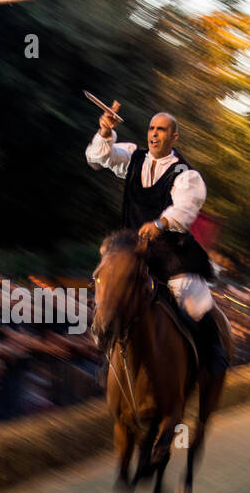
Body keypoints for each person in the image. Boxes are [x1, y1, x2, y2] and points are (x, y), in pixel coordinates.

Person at [85, 106, 227, 375]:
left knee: (191, 295)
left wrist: (161, 223)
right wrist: (105, 131)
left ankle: (213, 353)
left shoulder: (186, 173)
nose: (154, 133)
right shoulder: (132, 157)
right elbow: (97, 157)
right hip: (132, 247)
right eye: (151, 128)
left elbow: (186, 207)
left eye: (161, 129)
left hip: (169, 249)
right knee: (108, 281)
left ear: (174, 137)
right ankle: (106, 352)